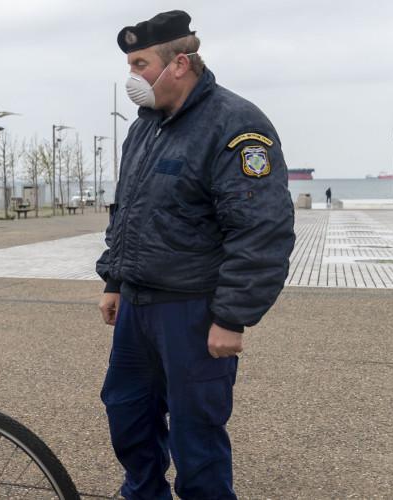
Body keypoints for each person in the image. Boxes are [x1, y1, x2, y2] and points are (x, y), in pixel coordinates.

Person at [96, 11, 295, 499]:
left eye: (140, 64)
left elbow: (261, 228)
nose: (132, 77)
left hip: (192, 310)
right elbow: (127, 208)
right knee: (127, 415)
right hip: (138, 306)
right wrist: (115, 280)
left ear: (179, 64)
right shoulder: (145, 127)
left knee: (196, 438)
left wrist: (231, 316)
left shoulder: (235, 123)